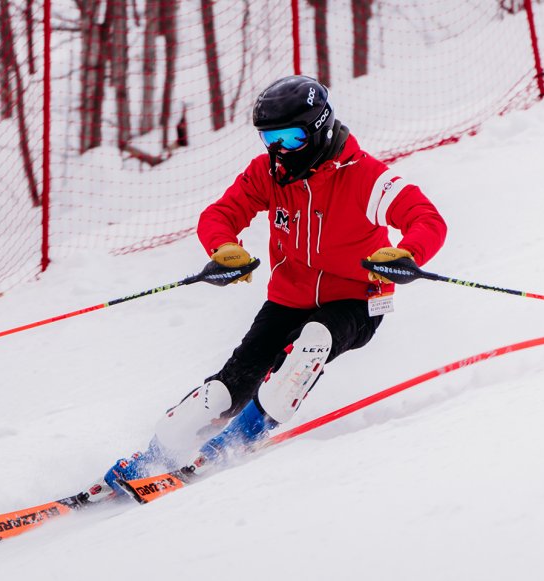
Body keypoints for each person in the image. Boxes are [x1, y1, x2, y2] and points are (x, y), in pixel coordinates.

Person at [94, 75, 447, 500]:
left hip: (356, 299)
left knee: (312, 344)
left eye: (290, 136)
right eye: (269, 137)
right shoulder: (269, 173)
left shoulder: (367, 178)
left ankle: (237, 441)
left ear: (319, 128)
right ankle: (155, 456)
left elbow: (426, 218)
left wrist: (408, 254)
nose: (279, 149)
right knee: (226, 387)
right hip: (287, 300)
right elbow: (220, 214)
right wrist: (224, 248)